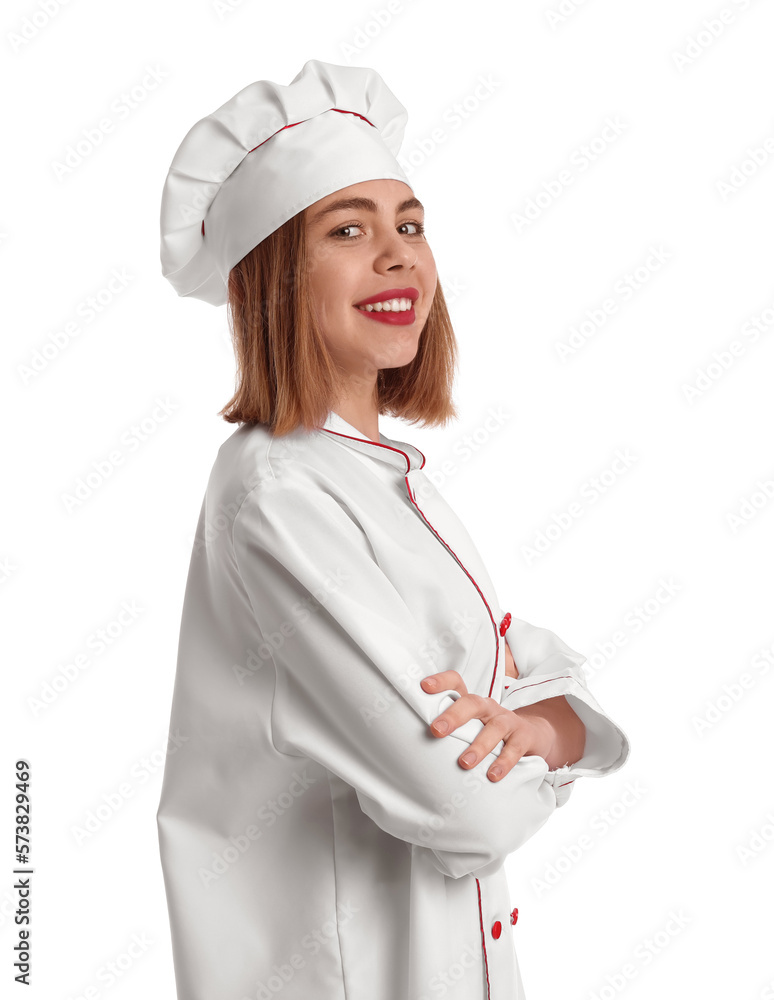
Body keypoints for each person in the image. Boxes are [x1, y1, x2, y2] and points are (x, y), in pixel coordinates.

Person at [156, 58, 631, 1000]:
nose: (400, 256)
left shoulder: (380, 482)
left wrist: (535, 725)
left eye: (410, 225)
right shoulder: (280, 498)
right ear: (272, 278)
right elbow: (469, 810)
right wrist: (538, 737)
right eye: (349, 229)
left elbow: (552, 697)